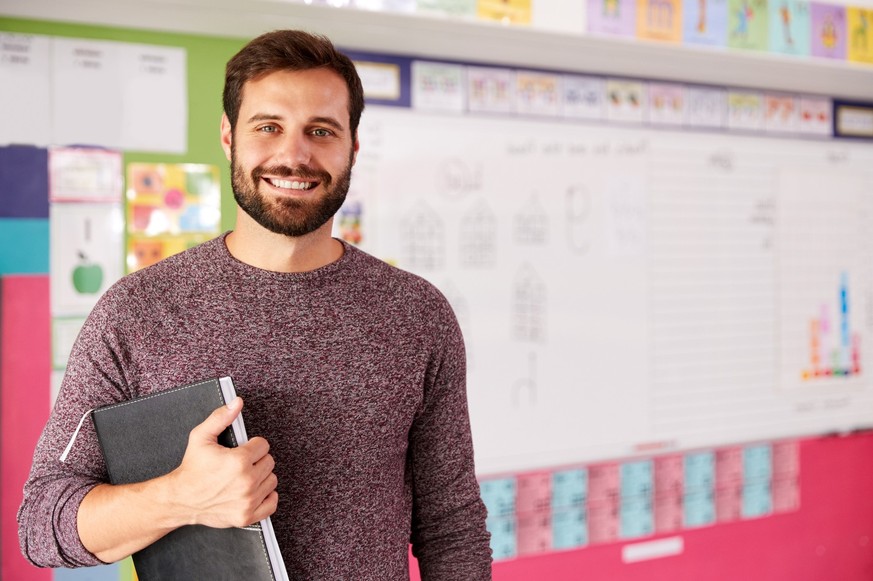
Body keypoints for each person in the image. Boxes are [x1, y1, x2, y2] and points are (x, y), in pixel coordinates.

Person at [18, 29, 493, 579]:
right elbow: (41, 524)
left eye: (321, 130)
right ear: (228, 136)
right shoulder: (136, 313)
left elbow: (450, 526)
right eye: (268, 127)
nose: (294, 155)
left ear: (353, 147)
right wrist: (180, 498)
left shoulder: (417, 315)